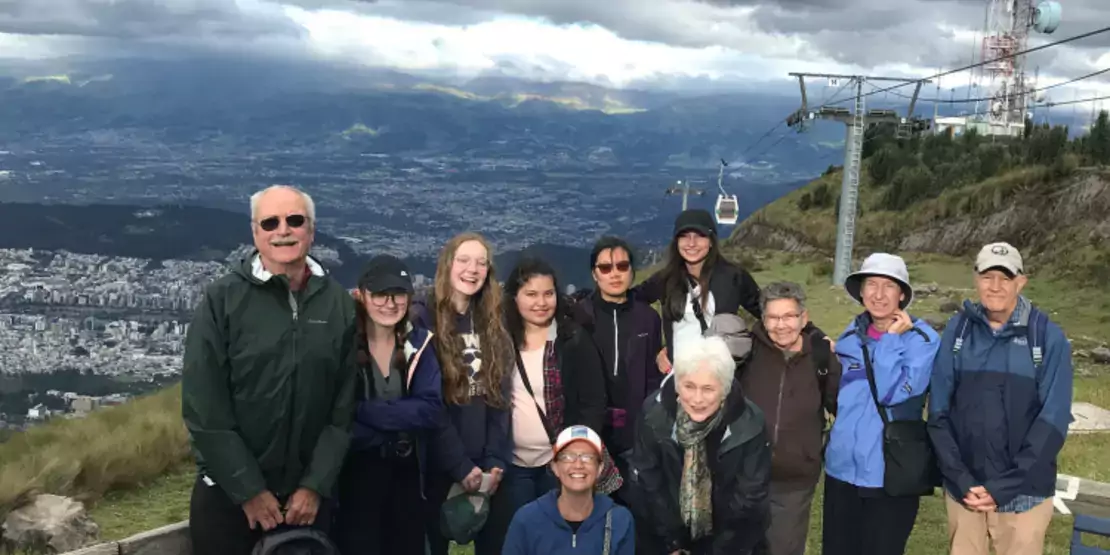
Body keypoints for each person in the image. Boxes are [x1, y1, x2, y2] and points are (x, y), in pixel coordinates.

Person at [181, 185, 358, 554]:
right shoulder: (223, 300)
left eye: (295, 220)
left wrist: (313, 487)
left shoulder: (337, 304)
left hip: (307, 504)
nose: (283, 230)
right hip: (228, 502)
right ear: (255, 232)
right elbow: (205, 409)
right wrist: (248, 490)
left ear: (311, 230)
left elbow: (342, 410)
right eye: (271, 222)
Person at [928, 242, 1073, 555]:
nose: (994, 287)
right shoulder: (958, 330)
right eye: (987, 276)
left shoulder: (1047, 337)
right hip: (964, 494)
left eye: (1005, 278)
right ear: (975, 278)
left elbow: (1054, 421)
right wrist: (961, 478)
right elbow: (938, 412)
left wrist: (1002, 488)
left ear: (1021, 282)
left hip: (1025, 497)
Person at [822, 253, 940, 555]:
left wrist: (889, 340)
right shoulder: (850, 337)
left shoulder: (922, 340)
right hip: (842, 470)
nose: (878, 294)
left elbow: (890, 393)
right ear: (860, 291)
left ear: (902, 294)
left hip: (889, 472)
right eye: (871, 284)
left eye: (889, 285)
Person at [493, 256, 609, 542]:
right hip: (512, 463)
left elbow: (593, 401)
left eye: (548, 293)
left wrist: (579, 453)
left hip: (558, 463)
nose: (541, 302)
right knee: (518, 537)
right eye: (531, 294)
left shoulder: (572, 339)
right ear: (515, 298)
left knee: (557, 539)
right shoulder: (500, 340)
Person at [412, 232, 514, 555]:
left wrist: (495, 461)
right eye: (465, 260)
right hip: (438, 467)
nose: (473, 269)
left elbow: (500, 399)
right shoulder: (424, 320)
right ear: (448, 265)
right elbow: (431, 404)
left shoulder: (493, 323)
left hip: (485, 464)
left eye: (481, 263)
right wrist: (459, 465)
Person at [334, 255, 443, 555]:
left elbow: (431, 409)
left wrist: (365, 411)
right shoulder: (343, 345)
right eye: (380, 294)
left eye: (398, 294)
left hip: (407, 475)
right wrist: (394, 428)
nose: (390, 303)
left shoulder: (419, 344)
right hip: (354, 477)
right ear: (362, 295)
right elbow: (336, 418)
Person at [632, 334, 771, 555]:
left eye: (708, 389)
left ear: (724, 390)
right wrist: (672, 544)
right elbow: (649, 484)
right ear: (677, 385)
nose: (697, 399)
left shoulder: (751, 422)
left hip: (731, 543)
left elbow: (749, 498)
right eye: (689, 386)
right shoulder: (653, 415)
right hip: (666, 538)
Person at [740, 282, 841, 555]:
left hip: (794, 479)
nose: (781, 325)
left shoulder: (821, 357)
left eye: (789, 316)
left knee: (783, 549)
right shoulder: (746, 351)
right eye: (773, 317)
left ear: (803, 318)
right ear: (763, 318)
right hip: (744, 475)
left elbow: (841, 406)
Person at [569, 237, 664, 495]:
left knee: (636, 512)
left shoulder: (648, 318)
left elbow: (654, 375)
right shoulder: (579, 316)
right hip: (590, 433)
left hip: (636, 434)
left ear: (632, 271)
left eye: (622, 266)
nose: (615, 274)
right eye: (605, 268)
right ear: (594, 274)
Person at [503, 425, 635, 555]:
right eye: (567, 457)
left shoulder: (619, 520)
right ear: (555, 467)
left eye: (587, 457)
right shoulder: (526, 520)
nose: (578, 465)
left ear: (599, 468)